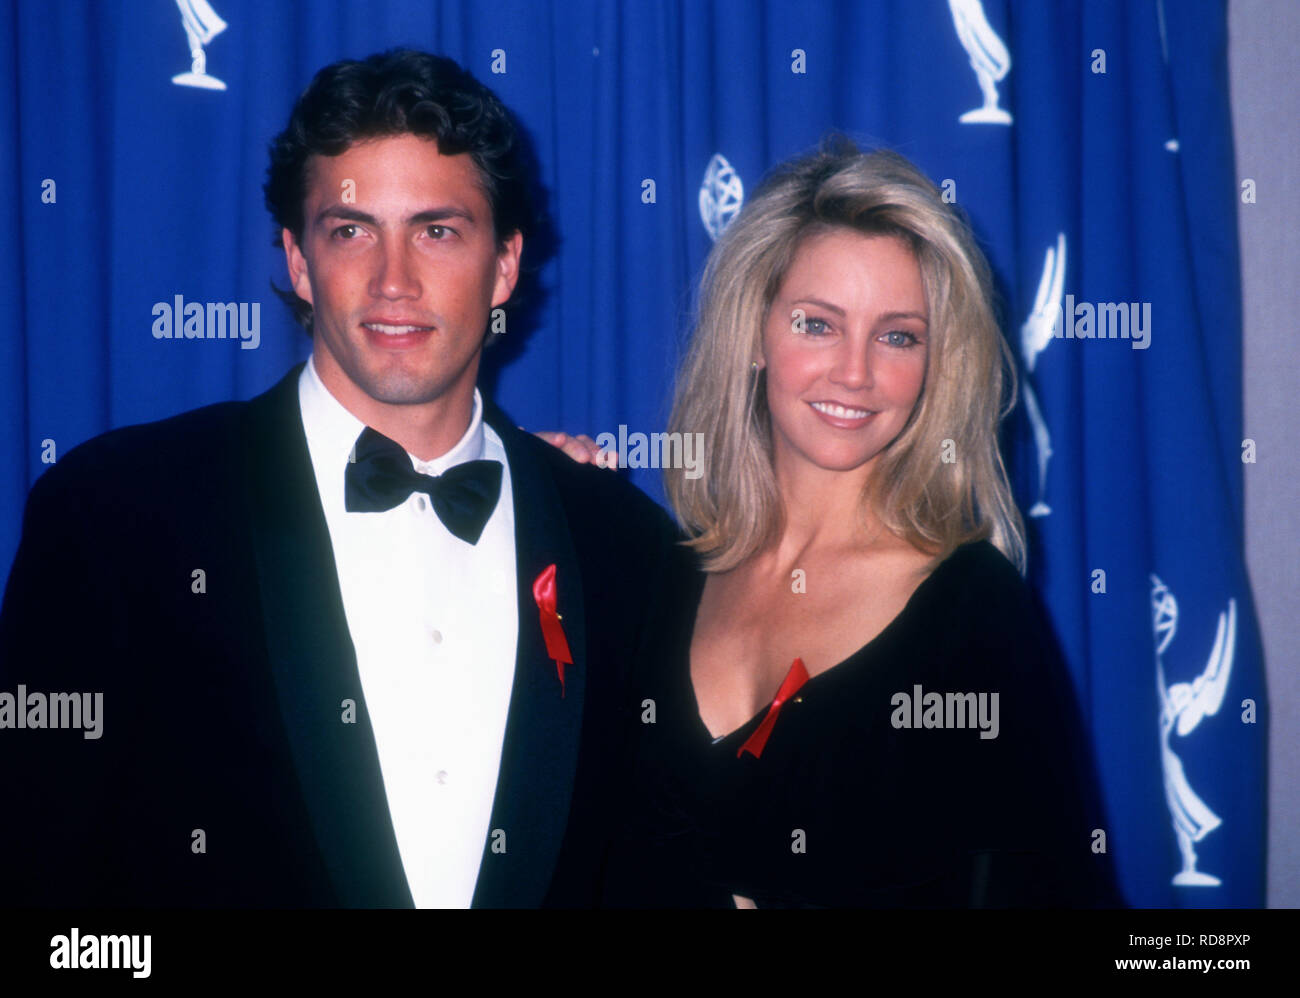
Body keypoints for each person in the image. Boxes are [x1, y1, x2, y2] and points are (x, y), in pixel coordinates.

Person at [0, 49, 677, 908]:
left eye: (438, 230)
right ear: (297, 258)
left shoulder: (619, 544)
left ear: (505, 263)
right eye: (352, 230)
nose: (394, 282)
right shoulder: (115, 518)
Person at [590, 138, 1126, 907]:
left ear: (938, 365)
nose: (855, 372)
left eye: (898, 336)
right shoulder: (658, 579)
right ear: (753, 334)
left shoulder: (973, 612)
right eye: (817, 323)